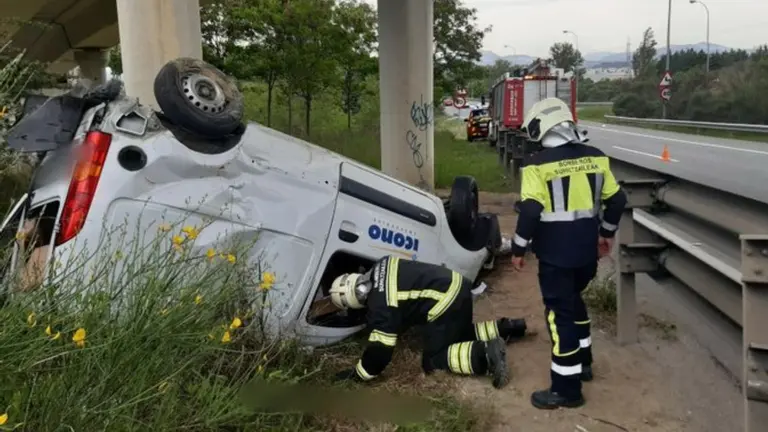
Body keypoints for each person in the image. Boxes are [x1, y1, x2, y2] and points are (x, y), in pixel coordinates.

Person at [509, 98, 627, 410]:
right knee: (574, 303)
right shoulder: (597, 157)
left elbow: (531, 210)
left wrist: (518, 247)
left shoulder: (535, 164)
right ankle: (584, 363)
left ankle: (566, 388)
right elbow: (617, 200)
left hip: (555, 257)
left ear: (539, 128)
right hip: (587, 255)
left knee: (558, 315)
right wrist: (606, 233)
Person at [329, 256, 528, 389]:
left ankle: (486, 354)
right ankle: (508, 328)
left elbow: (380, 351)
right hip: (458, 285)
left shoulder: (379, 307)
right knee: (456, 334)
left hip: (446, 302)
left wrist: (359, 374)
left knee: (433, 360)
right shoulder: (382, 264)